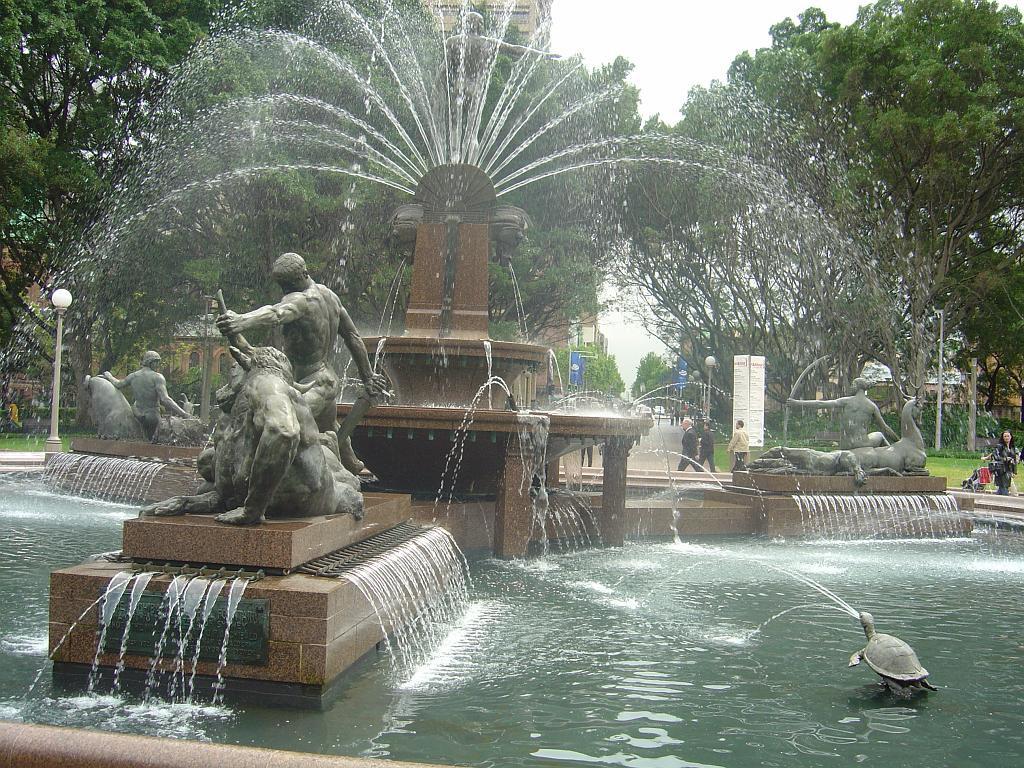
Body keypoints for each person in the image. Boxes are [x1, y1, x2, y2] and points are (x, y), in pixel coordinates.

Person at [216, 252, 387, 473]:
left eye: (285, 285)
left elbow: (276, 314)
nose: (284, 291)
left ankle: (261, 478)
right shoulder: (330, 296)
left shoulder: (300, 300)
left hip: (313, 383)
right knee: (328, 426)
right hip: (324, 379)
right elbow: (353, 337)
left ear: (300, 276)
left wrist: (241, 321)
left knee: (286, 422)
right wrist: (368, 376)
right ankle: (353, 466)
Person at [788, 377, 898, 449]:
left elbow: (820, 404)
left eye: (853, 384)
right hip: (863, 444)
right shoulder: (872, 406)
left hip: (847, 445)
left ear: (857, 386)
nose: (851, 386)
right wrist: (899, 441)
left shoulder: (846, 401)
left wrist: (797, 403)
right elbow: (885, 428)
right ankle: (892, 452)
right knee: (879, 434)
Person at [102, 351, 189, 441]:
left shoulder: (133, 376)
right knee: (156, 444)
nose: (158, 365)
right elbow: (165, 399)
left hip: (136, 415)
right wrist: (184, 414)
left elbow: (118, 384)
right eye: (157, 362)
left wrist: (109, 376)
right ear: (151, 362)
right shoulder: (157, 377)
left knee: (139, 442)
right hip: (152, 417)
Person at [985, 430, 1018, 496]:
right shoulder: (999, 446)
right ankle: (1002, 502)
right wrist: (1005, 459)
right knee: (1004, 489)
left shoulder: (1012, 448)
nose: (1006, 437)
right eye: (1005, 436)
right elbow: (995, 456)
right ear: (1002, 437)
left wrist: (1014, 472)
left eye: (1008, 436)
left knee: (1003, 490)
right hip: (1001, 470)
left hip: (1008, 471)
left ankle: (996, 502)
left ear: (1011, 437)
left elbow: (1014, 461)